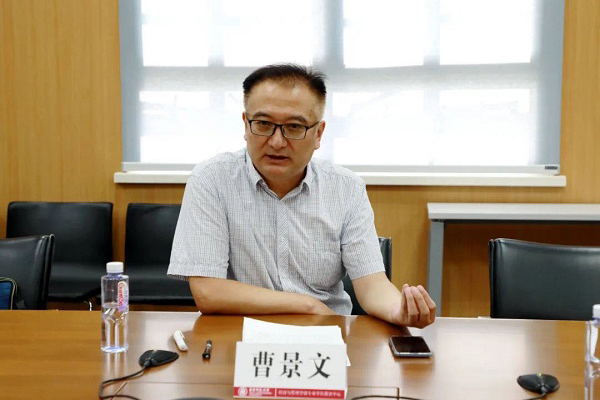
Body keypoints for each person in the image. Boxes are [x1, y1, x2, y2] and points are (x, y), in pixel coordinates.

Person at [168, 64, 436, 328]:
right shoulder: (211, 179)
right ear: (246, 125)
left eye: (294, 127)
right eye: (263, 124)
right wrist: (306, 305)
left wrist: (399, 310)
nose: (276, 142)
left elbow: (372, 284)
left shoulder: (346, 189)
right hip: (238, 335)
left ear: (318, 133)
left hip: (325, 336)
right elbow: (208, 291)